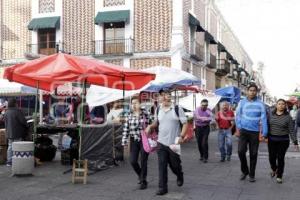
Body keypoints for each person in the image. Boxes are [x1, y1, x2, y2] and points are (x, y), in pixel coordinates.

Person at [146, 89, 188, 196]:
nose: (163, 98)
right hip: (161, 142)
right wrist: (150, 126)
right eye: (161, 96)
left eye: (166, 95)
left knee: (175, 165)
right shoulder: (158, 108)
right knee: (162, 165)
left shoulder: (177, 108)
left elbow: (185, 124)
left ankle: (179, 174)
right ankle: (162, 188)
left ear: (169, 97)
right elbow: (156, 122)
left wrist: (182, 136)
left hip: (174, 143)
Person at [235, 83, 268, 182]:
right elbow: (238, 115)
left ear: (256, 92)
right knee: (241, 151)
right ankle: (245, 171)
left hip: (255, 132)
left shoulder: (261, 104)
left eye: (254, 90)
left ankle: (252, 175)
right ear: (247, 91)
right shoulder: (242, 102)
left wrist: (264, 132)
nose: (252, 92)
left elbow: (264, 118)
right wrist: (239, 126)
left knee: (253, 154)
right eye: (250, 90)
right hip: (244, 131)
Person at [265, 99, 298, 184]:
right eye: (279, 104)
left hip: (283, 141)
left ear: (285, 106)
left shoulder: (288, 117)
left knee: (280, 158)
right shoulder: (270, 115)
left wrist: (295, 142)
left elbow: (291, 130)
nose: (281, 105)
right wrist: (265, 135)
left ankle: (279, 176)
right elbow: (267, 126)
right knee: (271, 157)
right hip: (272, 140)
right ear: (276, 105)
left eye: (283, 104)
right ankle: (274, 169)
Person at [122, 96, 152, 190]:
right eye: (132, 103)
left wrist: (150, 127)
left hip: (144, 140)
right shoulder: (129, 115)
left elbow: (153, 123)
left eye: (136, 103)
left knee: (143, 160)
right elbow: (126, 129)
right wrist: (124, 141)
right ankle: (140, 175)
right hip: (134, 140)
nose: (134, 105)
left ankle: (143, 181)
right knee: (133, 161)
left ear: (140, 104)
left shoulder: (146, 113)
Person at [4, 98, 28, 166]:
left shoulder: (6, 112)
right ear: (15, 103)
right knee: (18, 146)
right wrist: (26, 126)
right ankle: (17, 160)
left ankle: (9, 161)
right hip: (17, 132)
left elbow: (5, 122)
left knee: (10, 146)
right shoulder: (17, 111)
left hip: (9, 132)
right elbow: (23, 121)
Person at [194, 99, 213, 163]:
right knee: (199, 143)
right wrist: (205, 119)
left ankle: (205, 157)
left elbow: (210, 119)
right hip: (198, 128)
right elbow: (197, 118)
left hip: (206, 128)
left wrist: (202, 119)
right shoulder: (197, 109)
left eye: (206, 105)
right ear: (200, 104)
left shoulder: (209, 110)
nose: (204, 106)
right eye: (203, 105)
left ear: (207, 105)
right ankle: (201, 155)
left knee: (204, 143)